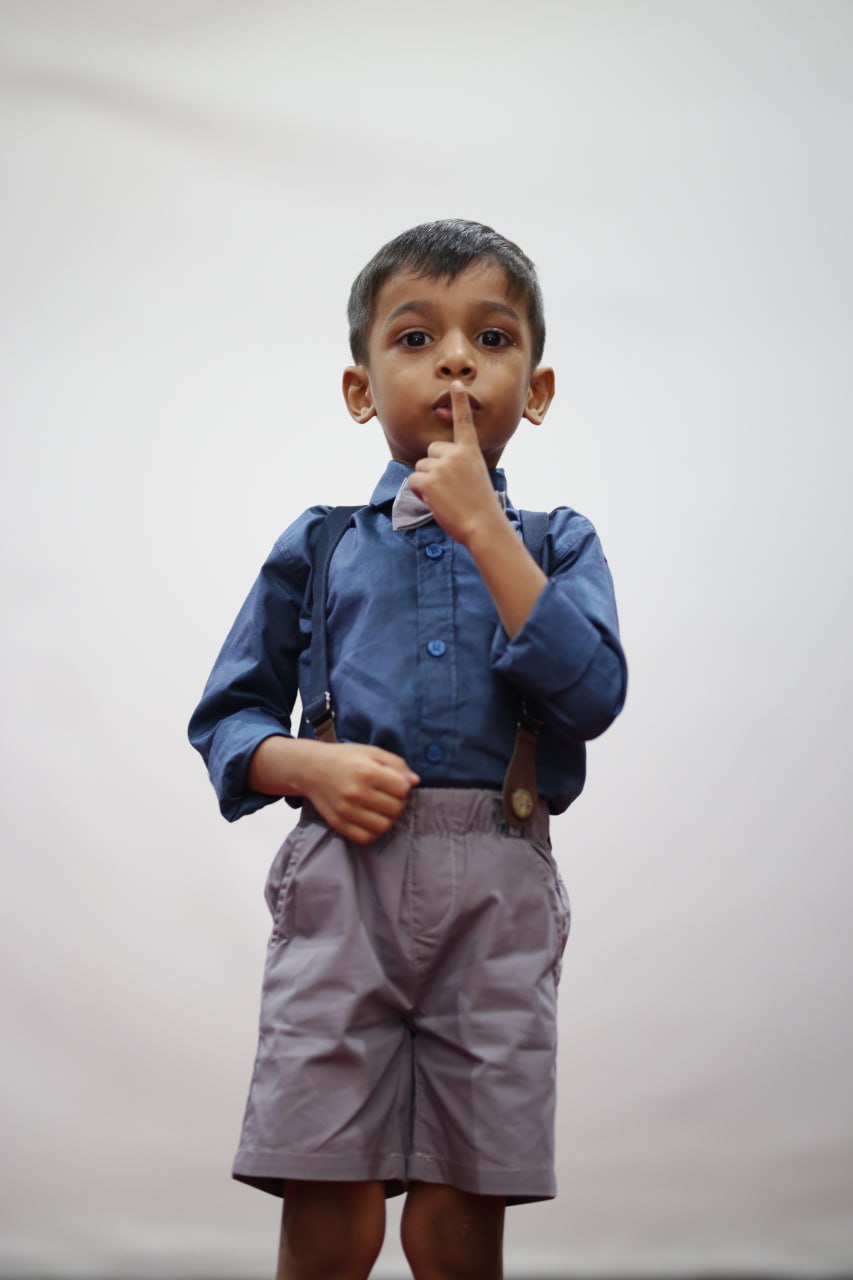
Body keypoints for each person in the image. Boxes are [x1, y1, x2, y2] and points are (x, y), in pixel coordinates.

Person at [188, 219, 627, 1280]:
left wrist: (486, 527)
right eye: (418, 337)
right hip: (345, 886)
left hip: (497, 893)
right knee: (329, 1198)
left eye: (491, 336)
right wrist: (306, 765)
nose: (457, 361)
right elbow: (228, 717)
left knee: (456, 1208)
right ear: (359, 386)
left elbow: (592, 692)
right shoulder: (321, 542)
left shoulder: (559, 541)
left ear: (539, 385)